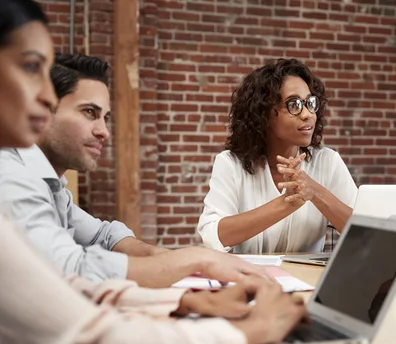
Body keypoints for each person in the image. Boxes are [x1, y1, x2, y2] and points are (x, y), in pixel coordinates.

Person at [0, 2, 305, 344]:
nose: (45, 94)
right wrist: (245, 329)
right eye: (30, 67)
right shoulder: (10, 174)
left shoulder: (41, 181)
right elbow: (90, 334)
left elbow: (70, 283)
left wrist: (185, 302)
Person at [0, 52, 270, 287]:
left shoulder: (51, 184)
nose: (104, 132)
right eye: (89, 113)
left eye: (105, 117)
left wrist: (164, 259)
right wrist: (195, 259)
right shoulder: (11, 177)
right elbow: (72, 269)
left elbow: (103, 236)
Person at [198, 58, 358, 254]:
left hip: (307, 282)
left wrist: (315, 192)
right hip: (251, 279)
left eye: (310, 102)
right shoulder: (231, 164)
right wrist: (285, 204)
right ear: (263, 113)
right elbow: (213, 235)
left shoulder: (328, 162)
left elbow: (363, 234)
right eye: (294, 104)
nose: (308, 114)